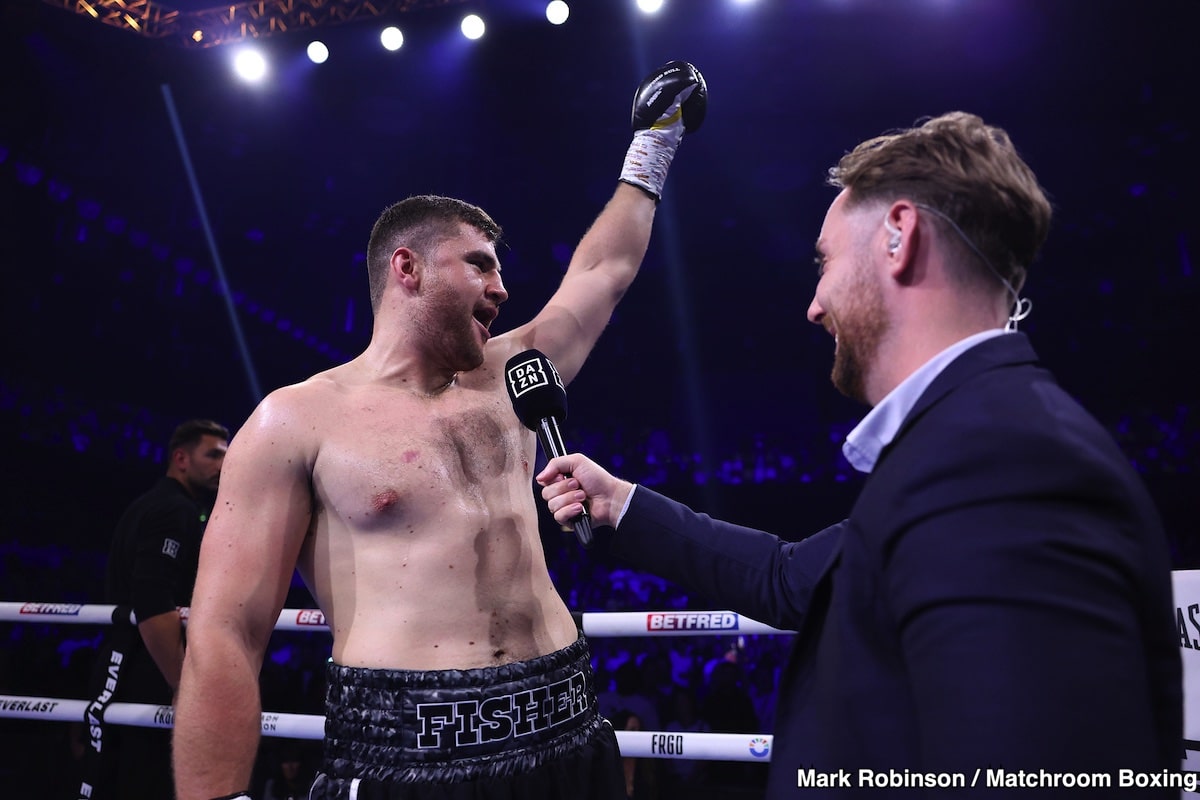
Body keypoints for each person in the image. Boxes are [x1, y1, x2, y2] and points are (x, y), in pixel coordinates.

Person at [537, 112, 1182, 797]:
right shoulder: (967, 443)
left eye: (826, 260)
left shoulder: (1003, 464)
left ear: (899, 238)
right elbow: (790, 579)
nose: (815, 305)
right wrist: (619, 504)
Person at [172, 60, 708, 800]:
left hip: (570, 728)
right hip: (410, 756)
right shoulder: (295, 420)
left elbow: (603, 270)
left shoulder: (513, 373)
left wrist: (655, 145)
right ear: (407, 269)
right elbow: (225, 634)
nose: (502, 288)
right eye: (480, 266)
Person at [78, 418, 230, 800]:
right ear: (180, 458)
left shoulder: (152, 504)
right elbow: (152, 600)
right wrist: (183, 684)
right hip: (146, 667)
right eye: (212, 454)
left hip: (127, 661)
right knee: (142, 779)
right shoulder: (172, 511)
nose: (222, 465)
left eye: (226, 456)